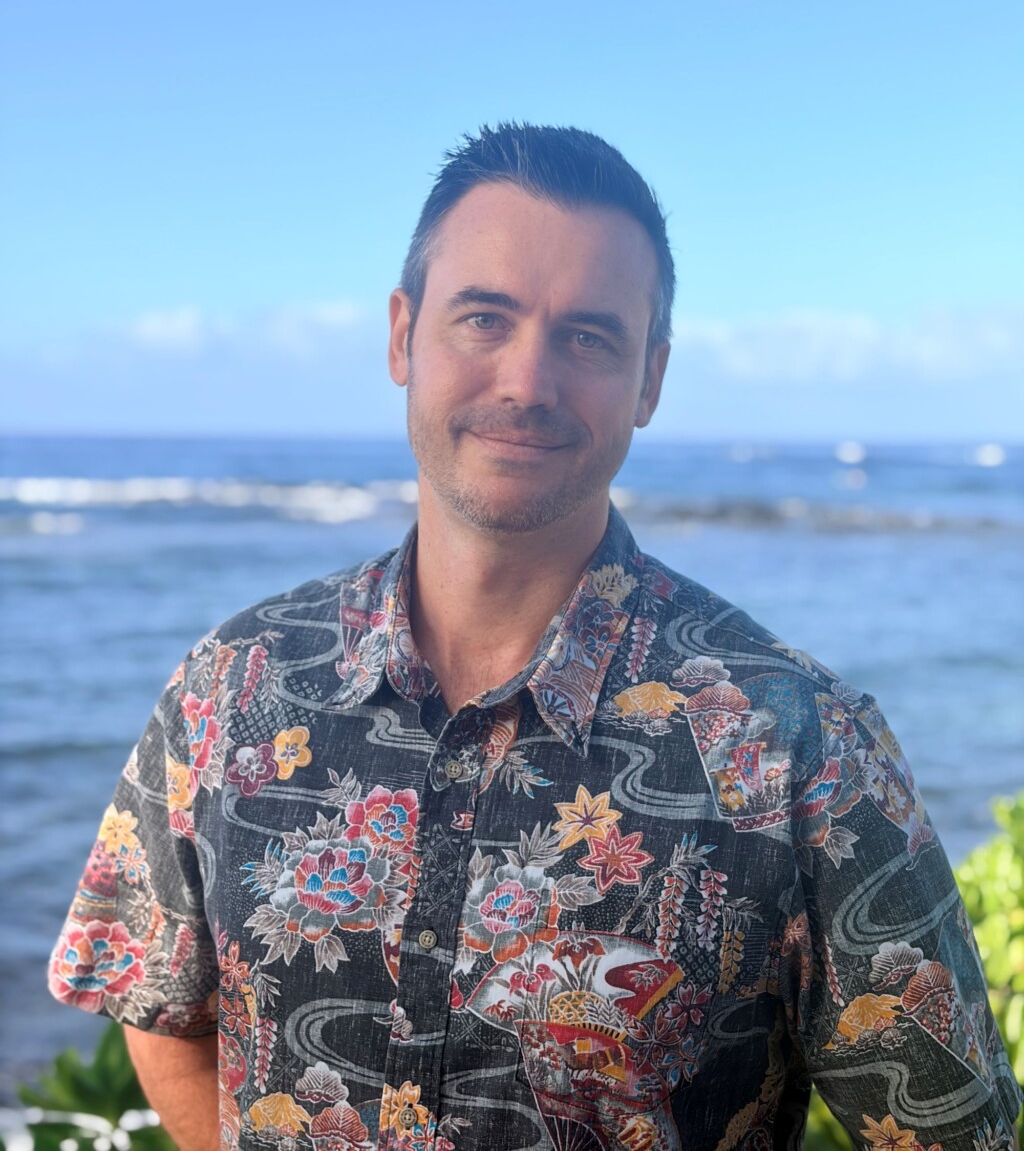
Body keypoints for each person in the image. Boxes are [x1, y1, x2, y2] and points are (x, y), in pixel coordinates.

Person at [49, 124, 1020, 1151]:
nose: (527, 381)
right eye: (484, 318)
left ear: (650, 379)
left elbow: (956, 1135)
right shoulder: (231, 687)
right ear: (402, 335)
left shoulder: (801, 748)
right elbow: (160, 1003)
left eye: (589, 337)